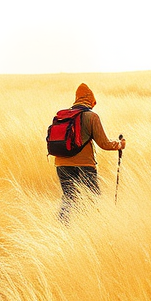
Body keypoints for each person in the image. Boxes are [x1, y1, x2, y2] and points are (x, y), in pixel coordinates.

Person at [53, 83, 125, 222]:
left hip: (61, 163)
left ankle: (62, 225)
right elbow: (104, 144)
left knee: (69, 197)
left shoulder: (63, 116)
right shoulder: (92, 117)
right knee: (92, 197)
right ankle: (89, 224)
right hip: (84, 165)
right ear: (91, 100)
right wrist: (119, 145)